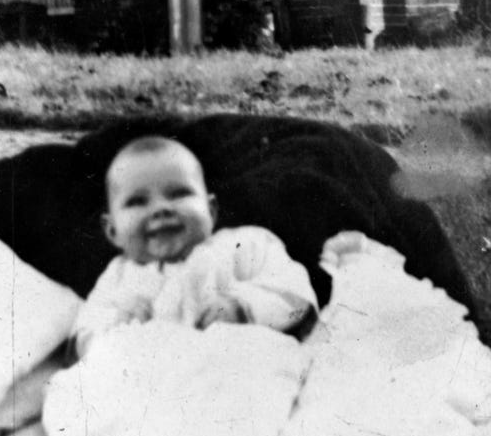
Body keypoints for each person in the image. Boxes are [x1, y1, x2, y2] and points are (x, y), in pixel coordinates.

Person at [73, 135, 317, 358]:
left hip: (234, 369)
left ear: (210, 211)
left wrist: (243, 308)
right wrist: (115, 324)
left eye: (179, 193)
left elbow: (295, 296)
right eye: (137, 201)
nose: (161, 209)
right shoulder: (117, 277)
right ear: (112, 230)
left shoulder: (242, 246)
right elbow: (82, 336)